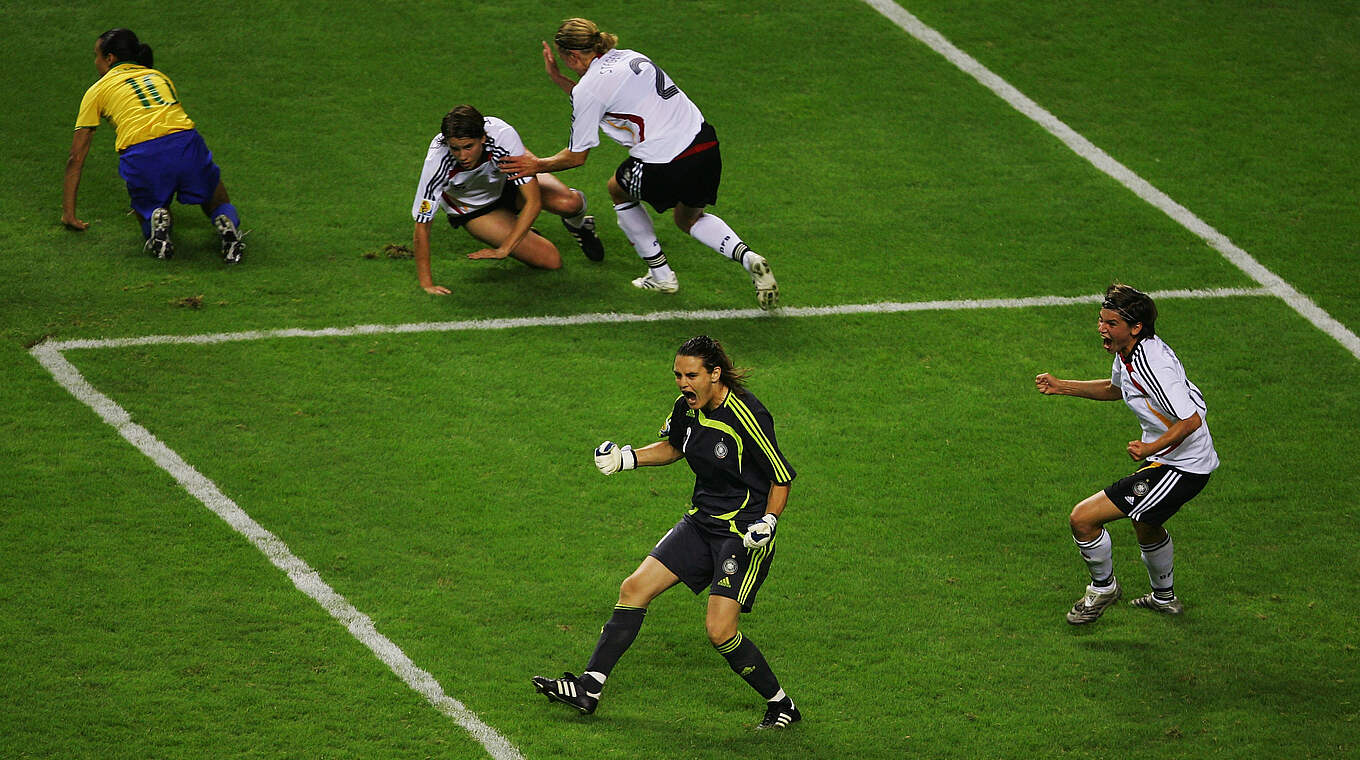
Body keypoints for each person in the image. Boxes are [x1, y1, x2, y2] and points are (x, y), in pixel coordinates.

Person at [533, 335, 800, 729]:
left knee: (719, 630)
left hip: (742, 533)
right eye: (678, 374)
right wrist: (628, 458)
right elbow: (675, 446)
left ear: (715, 373)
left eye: (691, 375)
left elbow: (781, 477)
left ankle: (782, 706)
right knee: (633, 588)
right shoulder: (685, 408)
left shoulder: (747, 415)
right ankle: (590, 687)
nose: (682, 383)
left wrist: (770, 521)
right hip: (701, 522)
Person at [499, 18, 780, 310]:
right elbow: (603, 98)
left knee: (617, 189)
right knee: (689, 218)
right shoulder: (632, 56)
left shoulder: (589, 89)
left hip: (665, 161)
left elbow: (576, 156)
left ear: (571, 55)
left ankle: (661, 276)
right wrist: (559, 79)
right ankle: (748, 258)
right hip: (705, 145)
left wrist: (536, 165)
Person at [1035, 283, 1219, 625]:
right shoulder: (1128, 353)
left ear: (1135, 327)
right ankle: (1165, 599)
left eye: (1111, 323)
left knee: (1083, 518)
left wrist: (1151, 447)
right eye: (1101, 320)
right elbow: (1114, 389)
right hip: (1171, 459)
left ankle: (1103, 588)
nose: (1102, 328)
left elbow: (1192, 418)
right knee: (1146, 523)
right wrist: (1062, 386)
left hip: (1183, 466)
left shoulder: (1154, 364)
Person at [63, 28, 245, 264]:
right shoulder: (159, 77)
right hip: (186, 142)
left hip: (143, 153)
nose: (95, 61)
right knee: (216, 197)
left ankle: (156, 224)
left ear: (109, 59)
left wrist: (69, 213)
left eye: (96, 56)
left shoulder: (97, 90)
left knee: (147, 207)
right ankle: (225, 221)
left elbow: (76, 158)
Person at [411, 105, 605, 295]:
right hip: (475, 209)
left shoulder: (502, 135)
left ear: (483, 138)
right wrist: (426, 283)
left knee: (570, 203)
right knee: (551, 260)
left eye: (468, 147)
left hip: (507, 184)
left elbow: (533, 201)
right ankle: (518, 229)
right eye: (456, 148)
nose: (462, 156)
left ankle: (579, 225)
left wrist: (505, 248)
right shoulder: (437, 163)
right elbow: (422, 226)